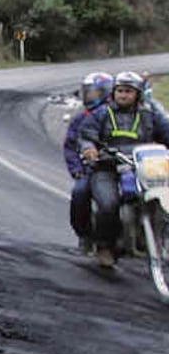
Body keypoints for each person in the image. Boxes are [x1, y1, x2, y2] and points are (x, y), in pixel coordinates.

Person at [79, 71, 169, 267]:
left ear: (138, 94)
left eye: (128, 91)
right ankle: (105, 246)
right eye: (120, 91)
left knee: (162, 197)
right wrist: (89, 149)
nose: (123, 95)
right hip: (107, 167)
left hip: (142, 166)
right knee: (108, 204)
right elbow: (86, 135)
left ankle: (153, 236)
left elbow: (166, 133)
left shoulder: (149, 114)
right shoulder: (101, 113)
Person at [64, 72, 112, 253]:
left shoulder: (117, 113)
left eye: (94, 93)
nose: (89, 96)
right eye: (87, 92)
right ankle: (85, 234)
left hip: (122, 165)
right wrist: (77, 169)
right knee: (80, 192)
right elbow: (70, 146)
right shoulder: (80, 118)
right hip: (91, 168)